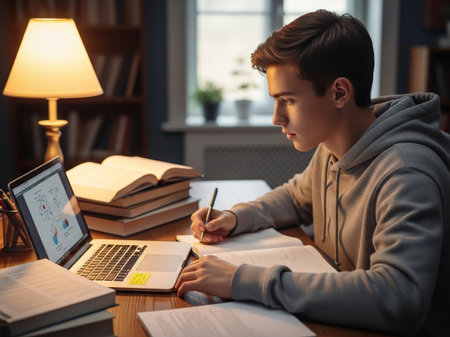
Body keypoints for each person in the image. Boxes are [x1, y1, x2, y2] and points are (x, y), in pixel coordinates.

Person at [175, 9, 450, 337]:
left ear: (339, 93)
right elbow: (296, 196)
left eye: (287, 100)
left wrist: (241, 280)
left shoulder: (406, 174)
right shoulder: (333, 146)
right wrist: (236, 217)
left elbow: (397, 297)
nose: (277, 118)